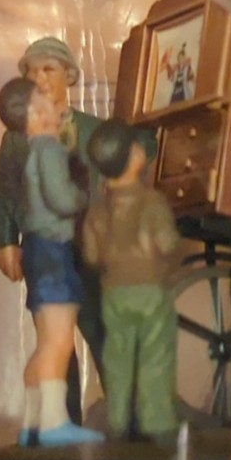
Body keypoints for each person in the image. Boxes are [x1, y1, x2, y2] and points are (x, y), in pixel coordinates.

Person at [0, 35, 157, 417]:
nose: (39, 78)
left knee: (104, 330)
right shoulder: (16, 141)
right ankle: (60, 421)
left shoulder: (94, 130)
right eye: (31, 72)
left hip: (91, 249)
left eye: (48, 69)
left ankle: (128, 415)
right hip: (45, 250)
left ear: (69, 75)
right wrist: (6, 240)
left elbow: (141, 150)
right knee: (55, 340)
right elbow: (3, 192)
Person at [0, 77, 103, 446]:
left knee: (45, 343)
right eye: (47, 105)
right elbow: (61, 198)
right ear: (38, 115)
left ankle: (33, 423)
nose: (57, 110)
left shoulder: (29, 153)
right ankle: (55, 423)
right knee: (59, 342)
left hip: (38, 251)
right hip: (55, 253)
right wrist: (82, 195)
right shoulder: (51, 151)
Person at [82, 119, 181, 443]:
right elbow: (167, 243)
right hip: (150, 290)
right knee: (155, 354)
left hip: (113, 292)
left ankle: (118, 420)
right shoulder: (152, 203)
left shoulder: (97, 211)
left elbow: (91, 255)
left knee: (117, 357)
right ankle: (156, 421)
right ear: (134, 157)